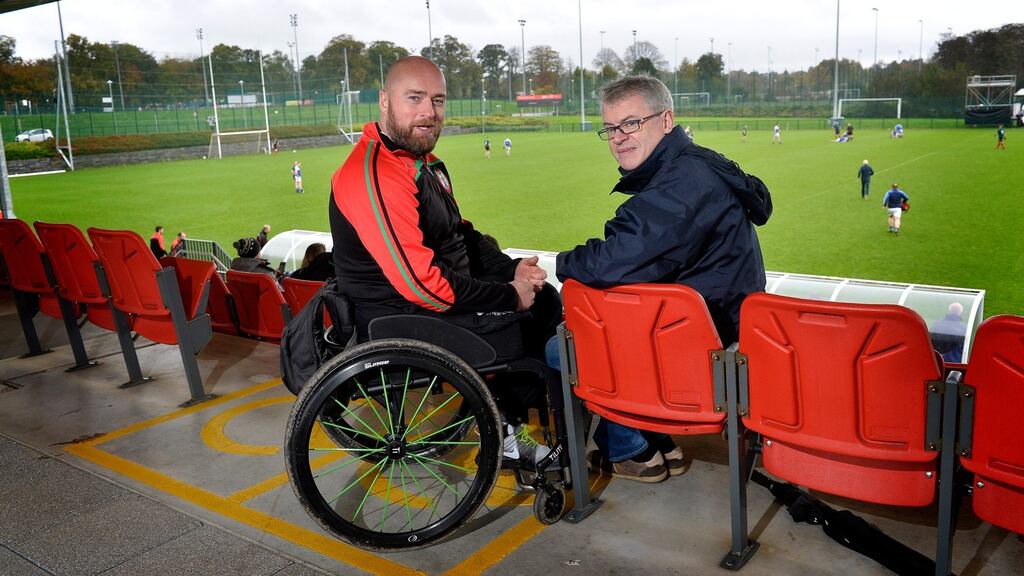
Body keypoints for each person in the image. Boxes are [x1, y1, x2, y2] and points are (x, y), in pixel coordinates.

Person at [328, 56, 560, 470]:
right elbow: (421, 286)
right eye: (414, 98)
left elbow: (462, 234)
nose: (428, 112)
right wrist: (510, 296)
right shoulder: (376, 172)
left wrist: (512, 271)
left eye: (437, 100)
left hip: (430, 299)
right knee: (525, 318)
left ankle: (514, 423)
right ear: (384, 101)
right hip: (403, 315)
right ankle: (516, 434)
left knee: (545, 299)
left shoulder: (423, 163)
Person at [553, 75, 772, 483]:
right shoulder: (694, 166)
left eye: (632, 123)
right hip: (720, 333)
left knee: (560, 346)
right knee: (622, 319)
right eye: (611, 128)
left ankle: (632, 450)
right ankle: (657, 441)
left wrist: (562, 263)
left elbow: (613, 260)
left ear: (666, 120)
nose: (619, 137)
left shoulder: (682, 184)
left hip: (708, 351)